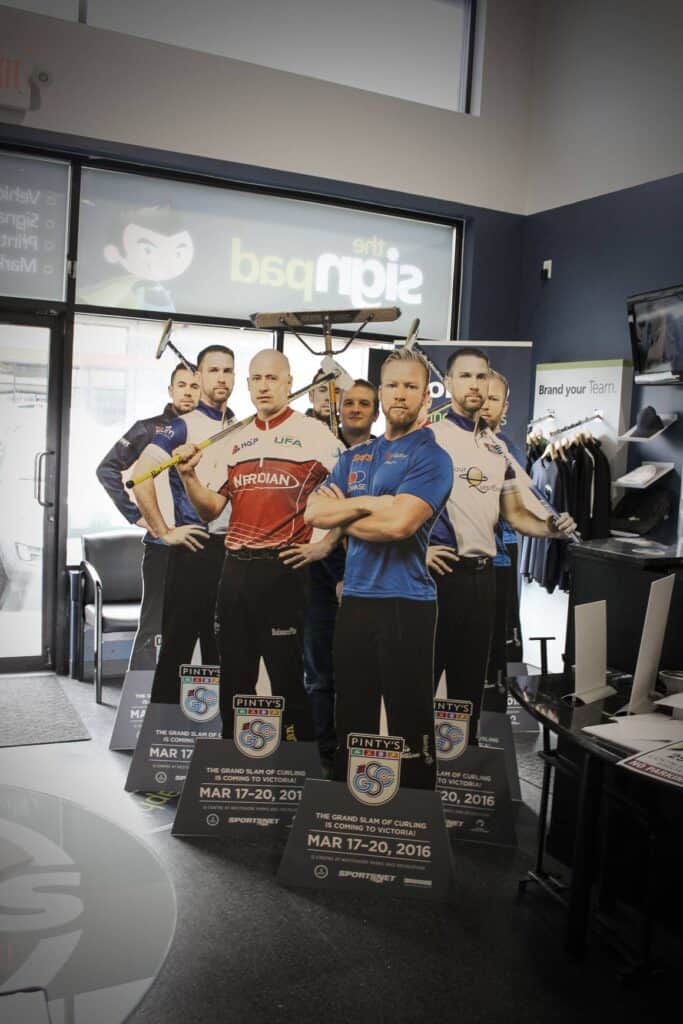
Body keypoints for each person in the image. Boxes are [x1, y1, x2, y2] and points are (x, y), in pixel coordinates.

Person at [174, 350, 341, 741]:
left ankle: (297, 763)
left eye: (272, 378)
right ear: (248, 385)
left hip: (284, 568)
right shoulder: (235, 438)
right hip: (235, 569)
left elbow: (353, 493)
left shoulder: (314, 434)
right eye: (256, 379)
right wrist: (187, 477)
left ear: (287, 383)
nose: (264, 386)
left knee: (286, 673)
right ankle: (235, 754)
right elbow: (211, 509)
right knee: (234, 671)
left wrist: (326, 546)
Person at [305, 348, 453, 790]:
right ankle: (354, 806)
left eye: (411, 386)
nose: (400, 395)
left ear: (426, 395)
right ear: (382, 392)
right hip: (356, 601)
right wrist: (372, 503)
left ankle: (416, 813)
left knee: (409, 717)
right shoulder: (356, 457)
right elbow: (313, 511)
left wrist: (347, 512)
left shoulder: (432, 457)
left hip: (406, 601)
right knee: (354, 712)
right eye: (392, 385)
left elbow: (400, 525)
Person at [428, 348, 575, 743]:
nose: (475, 385)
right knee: (423, 684)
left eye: (481, 377)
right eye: (466, 377)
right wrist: (418, 549)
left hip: (483, 579)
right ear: (450, 383)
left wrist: (552, 528)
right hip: (440, 577)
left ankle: (459, 771)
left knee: (467, 688)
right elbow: (395, 501)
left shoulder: (496, 448)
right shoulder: (429, 437)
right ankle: (415, 783)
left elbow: (514, 514)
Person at [133, 345, 235, 704]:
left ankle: (218, 745)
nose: (221, 378)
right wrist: (163, 531)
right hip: (192, 548)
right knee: (176, 646)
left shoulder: (238, 427)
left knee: (222, 649)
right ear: (200, 376)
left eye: (228, 371)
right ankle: (159, 744)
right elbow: (139, 476)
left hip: (233, 553)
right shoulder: (181, 426)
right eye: (213, 371)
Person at [296, 379, 380, 771]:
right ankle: (323, 752)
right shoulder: (317, 444)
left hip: (365, 569)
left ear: (376, 412)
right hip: (315, 567)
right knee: (317, 666)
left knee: (362, 667)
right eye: (349, 402)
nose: (355, 409)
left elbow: (369, 513)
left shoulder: (385, 455)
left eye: (365, 403)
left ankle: (357, 753)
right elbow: (316, 508)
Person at [95, 362, 199, 670]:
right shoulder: (148, 429)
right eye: (182, 385)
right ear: (171, 390)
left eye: (195, 386)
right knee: (154, 625)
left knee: (202, 626)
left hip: (203, 545)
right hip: (161, 545)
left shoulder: (213, 429)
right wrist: (135, 515)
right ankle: (139, 702)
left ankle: (197, 708)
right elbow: (107, 469)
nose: (189, 392)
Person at [479, 370, 524, 709]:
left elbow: (517, 509)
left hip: (499, 560)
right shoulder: (446, 444)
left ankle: (492, 724)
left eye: (494, 398)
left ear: (504, 406)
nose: (485, 404)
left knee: (495, 648)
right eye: (480, 395)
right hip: (459, 562)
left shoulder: (510, 451)